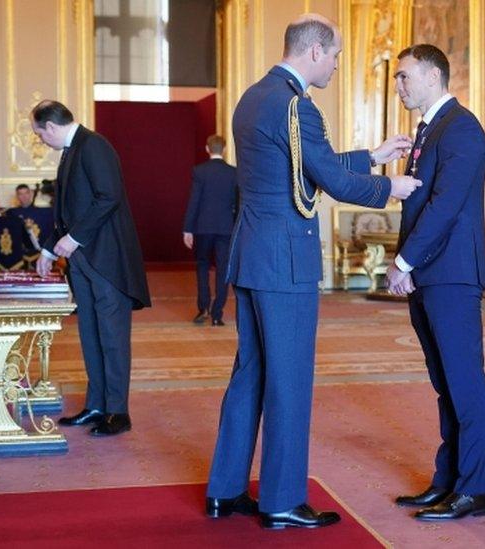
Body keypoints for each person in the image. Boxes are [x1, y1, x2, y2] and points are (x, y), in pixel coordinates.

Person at [205, 14, 420, 530]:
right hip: (287, 262)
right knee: (289, 380)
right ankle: (281, 500)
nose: (338, 64)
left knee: (249, 374)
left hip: (253, 256)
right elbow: (327, 178)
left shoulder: (254, 97)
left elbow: (298, 163)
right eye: (337, 54)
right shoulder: (299, 106)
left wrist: (372, 155)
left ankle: (225, 489)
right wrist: (391, 187)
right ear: (315, 51)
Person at [386, 44, 485, 522]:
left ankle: (475, 489)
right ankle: (449, 481)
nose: (399, 86)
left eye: (405, 77)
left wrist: (403, 262)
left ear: (433, 75)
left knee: (464, 381)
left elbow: (445, 207)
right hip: (431, 273)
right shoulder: (431, 129)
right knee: (444, 383)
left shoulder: (462, 128)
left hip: (450, 274)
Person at [31, 99, 151, 436]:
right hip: (84, 258)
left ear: (51, 127)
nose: (42, 140)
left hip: (106, 260)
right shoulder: (72, 149)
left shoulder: (94, 145)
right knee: (91, 334)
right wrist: (49, 250)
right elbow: (68, 209)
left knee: (112, 337)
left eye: (40, 135)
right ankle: (97, 404)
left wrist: (74, 238)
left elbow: (108, 196)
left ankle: (118, 411)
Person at [183, 134, 237, 326]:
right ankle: (217, 314)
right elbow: (238, 203)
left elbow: (194, 201)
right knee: (223, 270)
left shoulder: (200, 171)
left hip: (203, 227)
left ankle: (203, 308)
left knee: (202, 266)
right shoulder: (233, 173)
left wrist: (187, 229)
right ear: (223, 149)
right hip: (226, 228)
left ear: (207, 149)